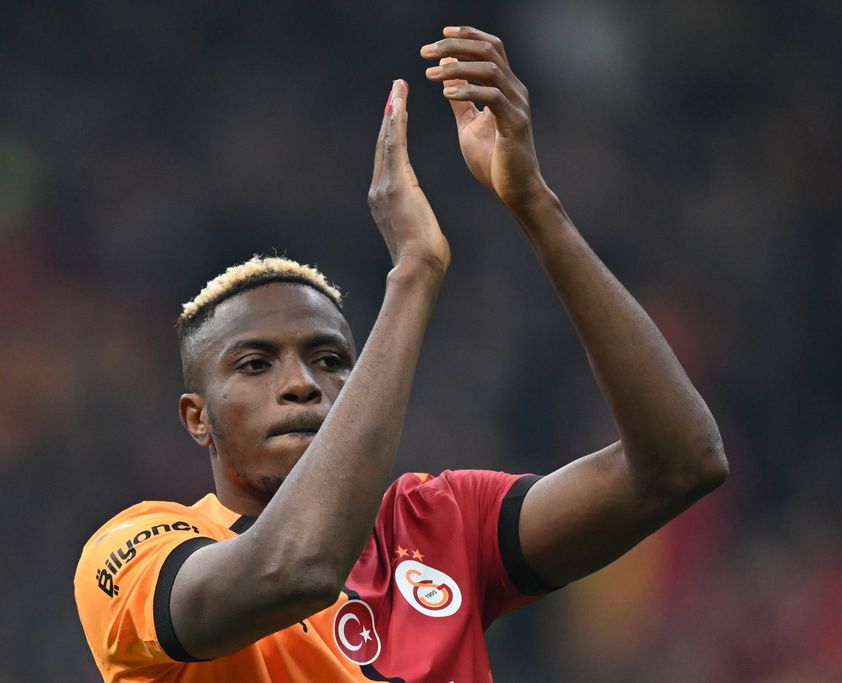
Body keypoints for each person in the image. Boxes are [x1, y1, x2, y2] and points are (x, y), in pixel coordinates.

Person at [74, 26, 728, 683]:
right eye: (256, 363)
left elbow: (681, 463)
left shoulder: (440, 521)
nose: (302, 383)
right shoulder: (136, 551)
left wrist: (535, 205)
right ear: (196, 416)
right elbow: (298, 567)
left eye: (330, 359)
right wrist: (413, 272)